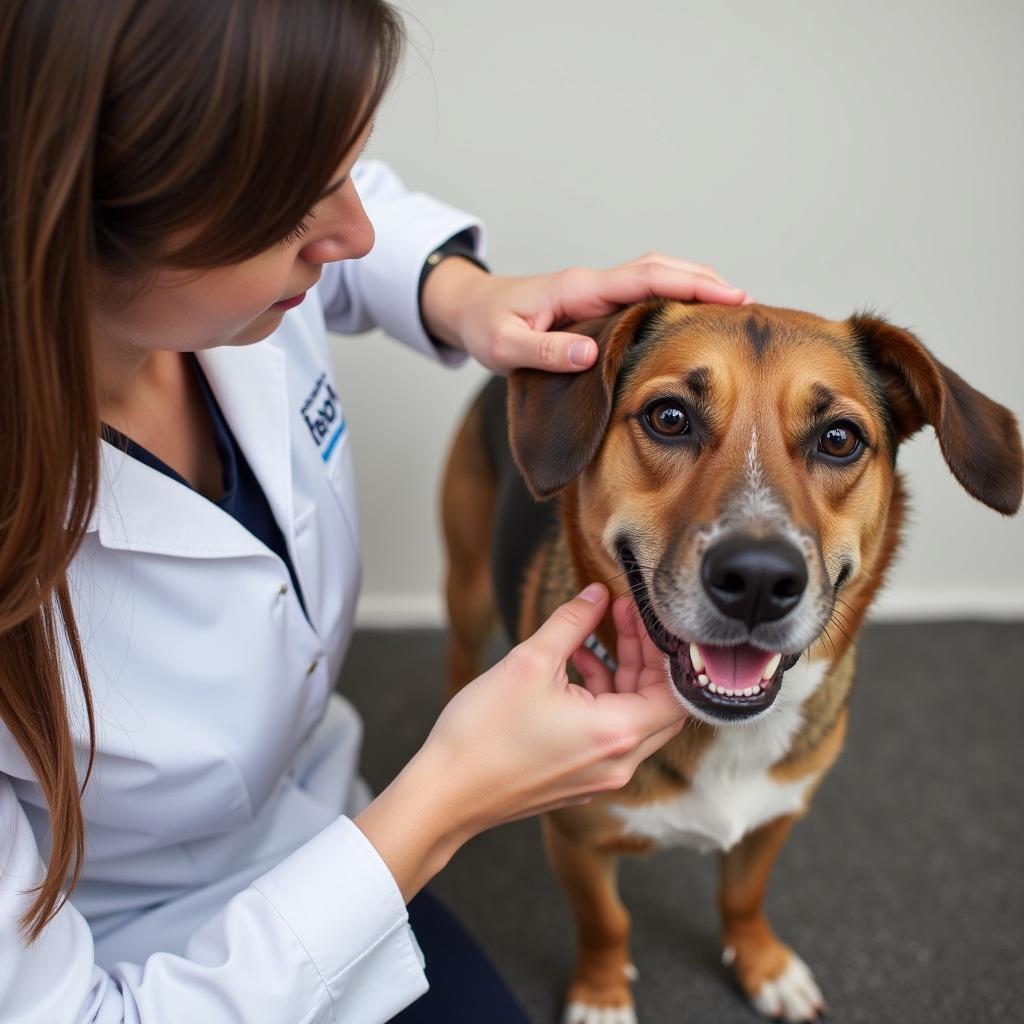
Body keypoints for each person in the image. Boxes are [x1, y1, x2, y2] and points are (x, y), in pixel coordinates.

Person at [0, 2, 750, 1021]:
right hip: (139, 954)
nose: (353, 234)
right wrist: (446, 799)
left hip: (313, 830)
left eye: (350, 166)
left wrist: (458, 291)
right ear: (80, 215)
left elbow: (365, 222)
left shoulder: (210, 297)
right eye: (298, 204)